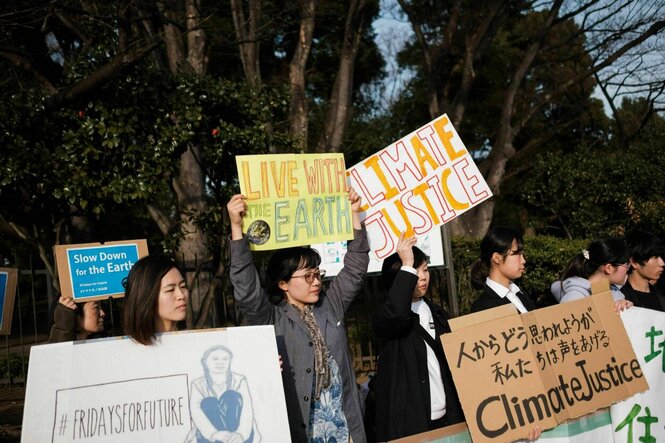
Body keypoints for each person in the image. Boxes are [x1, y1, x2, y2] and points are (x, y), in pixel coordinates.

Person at [227, 189, 369, 443]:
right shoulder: (273, 318)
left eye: (318, 274)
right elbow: (247, 292)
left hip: (346, 432)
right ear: (283, 284)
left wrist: (355, 215)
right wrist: (237, 229)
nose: (316, 282)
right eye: (307, 276)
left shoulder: (330, 306)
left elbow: (355, 268)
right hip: (302, 433)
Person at [371, 233, 464, 441]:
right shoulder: (385, 317)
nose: (422, 277)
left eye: (424, 270)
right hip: (411, 424)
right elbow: (396, 315)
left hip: (448, 417)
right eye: (415, 271)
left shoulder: (437, 312)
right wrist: (407, 263)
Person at [187, 345, 261, 443]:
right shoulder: (197, 385)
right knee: (209, 403)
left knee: (231, 396)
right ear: (206, 362)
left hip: (238, 435)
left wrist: (240, 434)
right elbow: (196, 412)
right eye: (215, 359)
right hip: (211, 437)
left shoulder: (239, 380)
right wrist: (213, 433)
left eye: (225, 359)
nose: (220, 363)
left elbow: (247, 410)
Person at [551, 238, 632, 311]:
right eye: (627, 264)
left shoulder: (616, 294)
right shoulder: (574, 298)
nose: (629, 268)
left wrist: (627, 309)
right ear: (609, 268)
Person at [122, 255, 188, 345]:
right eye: (170, 290)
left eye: (183, 286)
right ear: (147, 296)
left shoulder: (194, 343)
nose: (181, 295)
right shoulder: (125, 351)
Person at [469, 226, 536, 313]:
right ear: (496, 258)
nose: (523, 260)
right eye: (516, 254)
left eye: (522, 254)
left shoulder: (521, 294)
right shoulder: (483, 307)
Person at [620, 230, 665, 311]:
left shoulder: (661, 296)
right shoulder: (621, 300)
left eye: (660, 257)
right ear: (634, 262)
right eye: (655, 257)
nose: (662, 263)